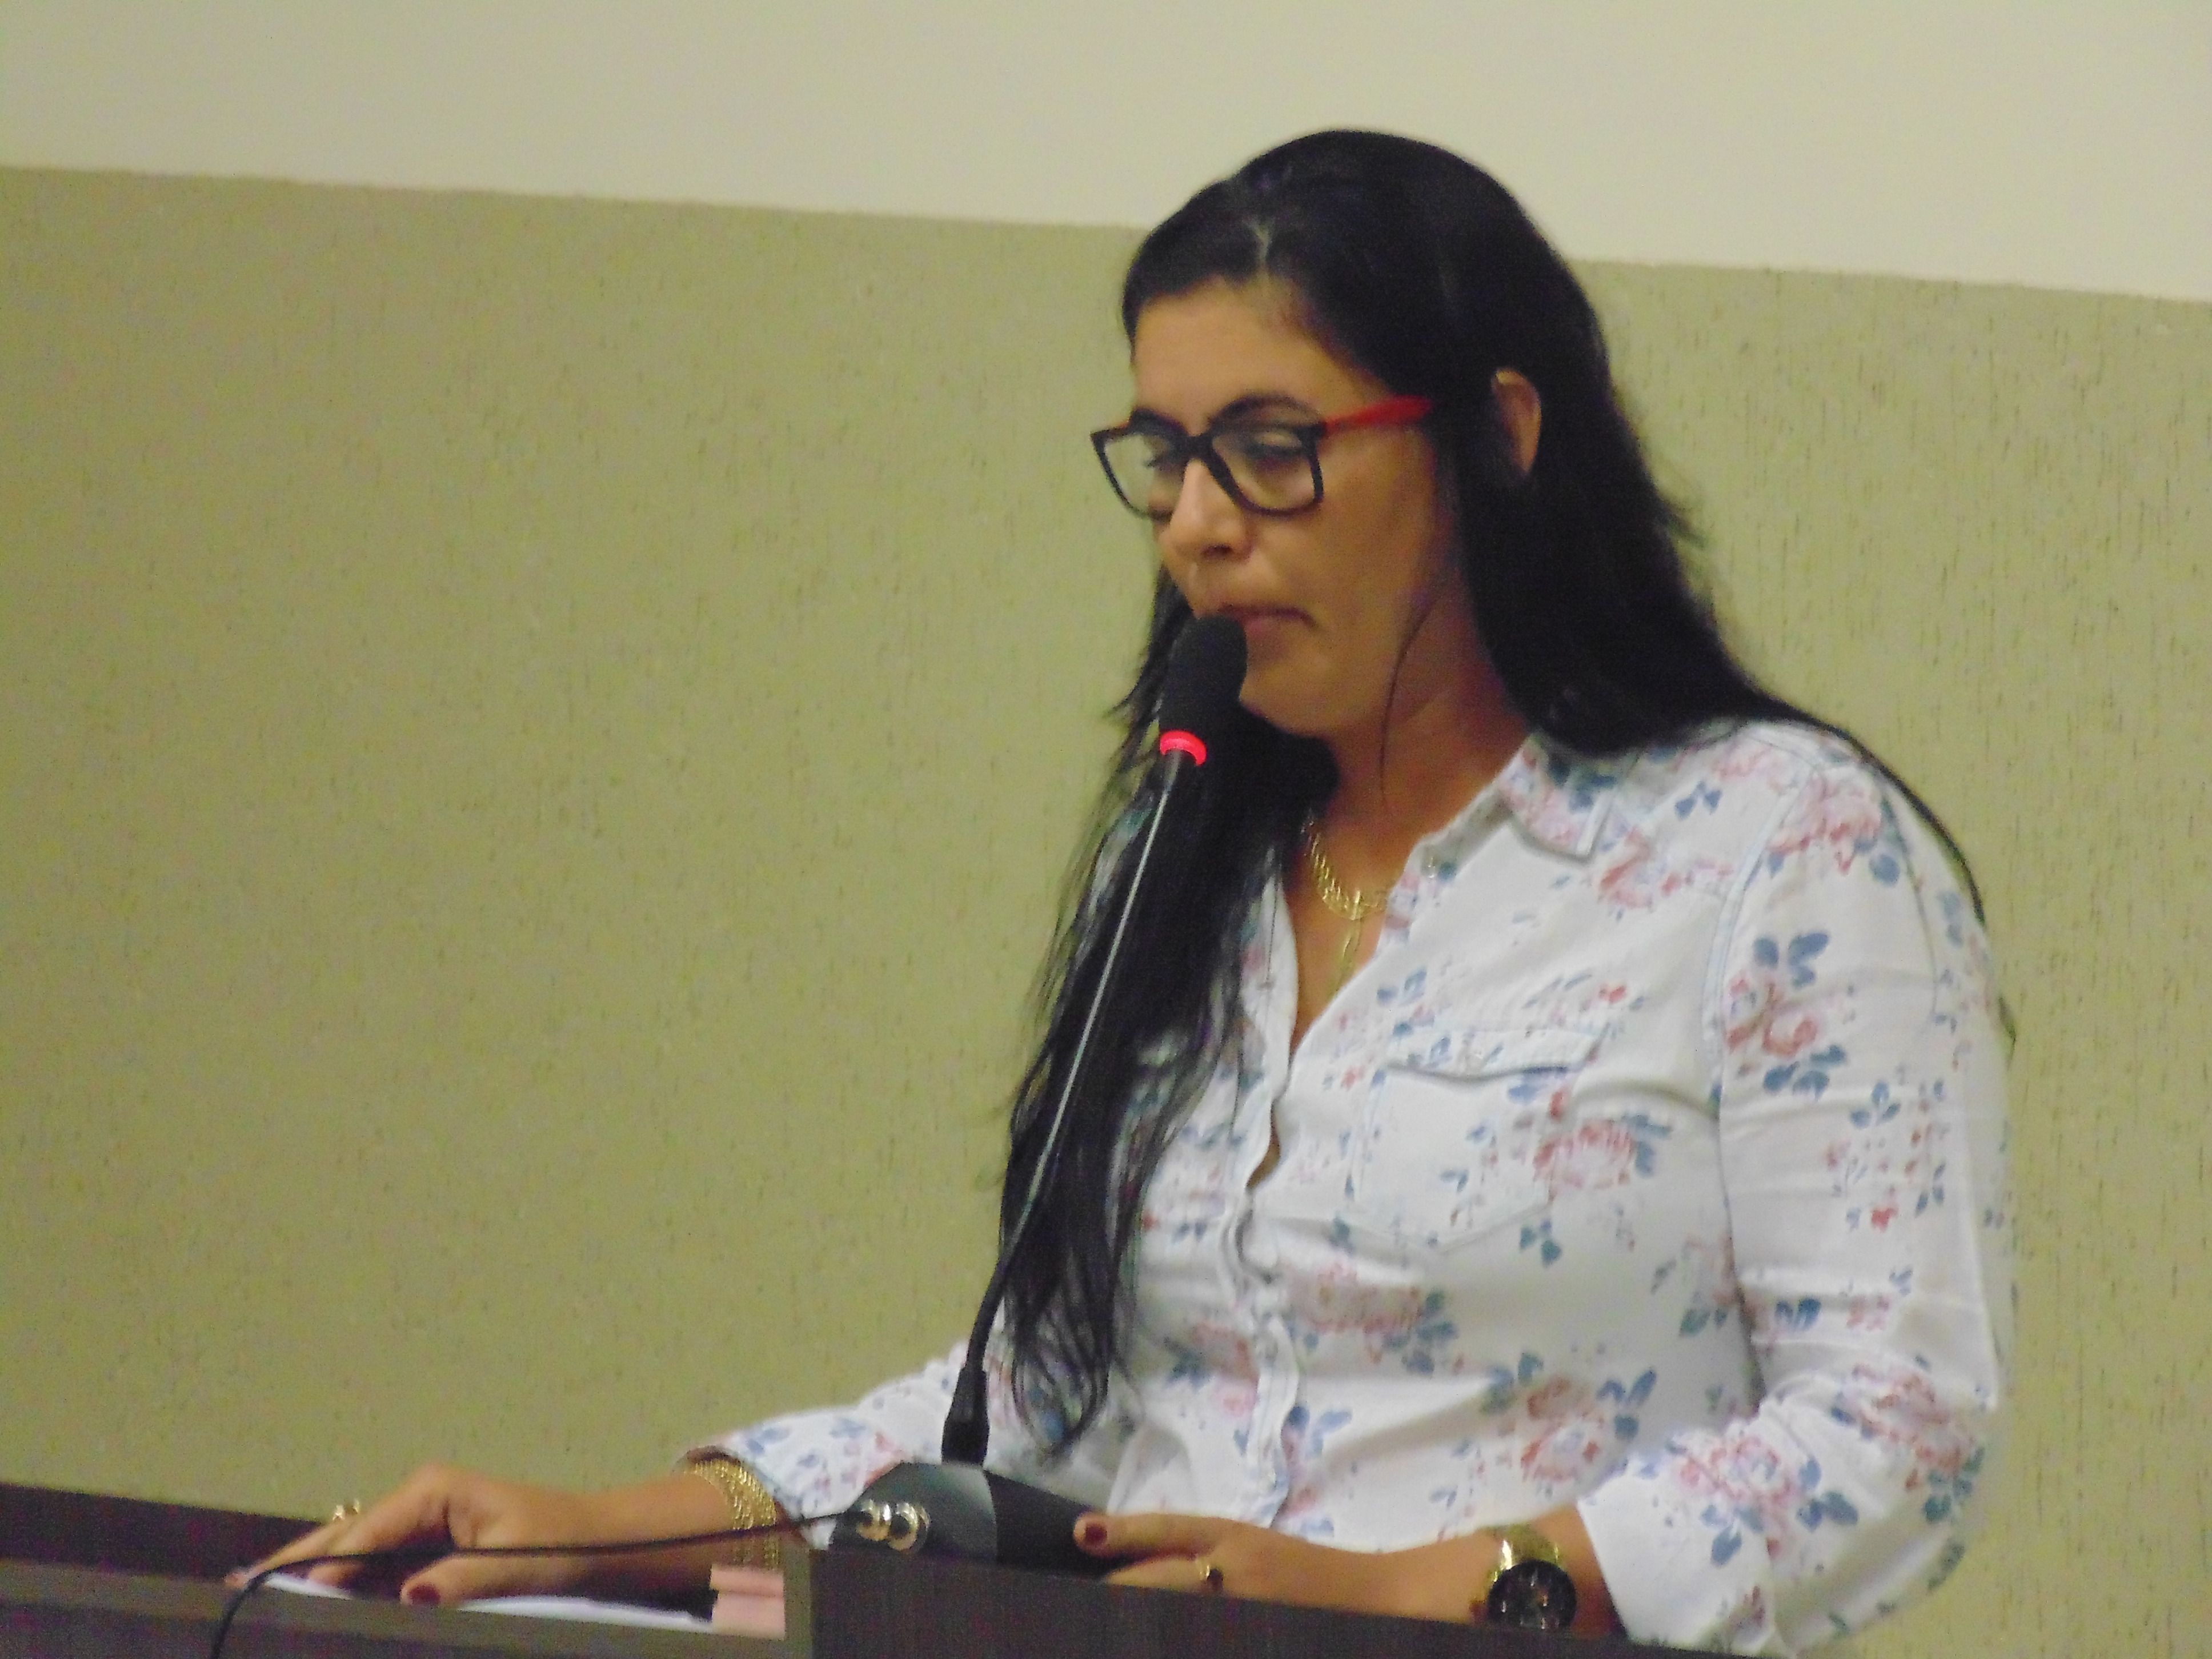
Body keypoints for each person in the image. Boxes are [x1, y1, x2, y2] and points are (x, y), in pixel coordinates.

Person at [246, 131, 2010, 1653]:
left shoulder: (1778, 849)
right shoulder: (1190, 847)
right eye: (1170, 456)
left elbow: (1897, 1427)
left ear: (1496, 438)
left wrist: (1407, 1594)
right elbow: (1048, 1398)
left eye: (1271, 445)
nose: (1195, 526)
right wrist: (600, 1529)